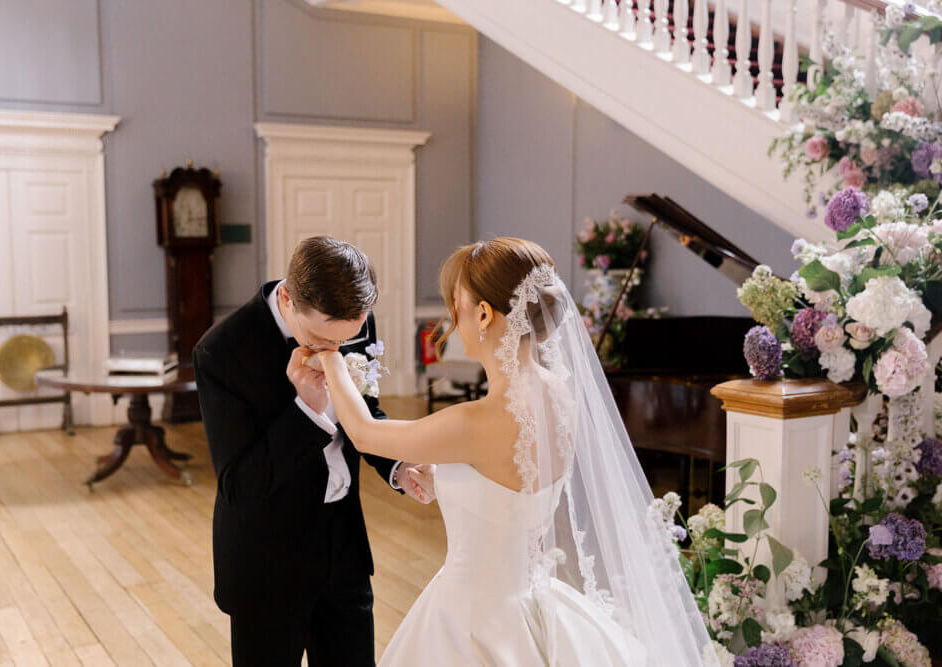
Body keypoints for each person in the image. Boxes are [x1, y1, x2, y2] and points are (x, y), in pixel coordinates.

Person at [302, 237, 717, 665]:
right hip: (534, 604)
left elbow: (365, 434)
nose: (452, 320)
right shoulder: (560, 395)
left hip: (472, 618)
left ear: (483, 314)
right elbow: (512, 487)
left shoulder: (472, 422)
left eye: (455, 306)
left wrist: (331, 355)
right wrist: (445, 479)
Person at [194, 236, 435, 666]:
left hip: (344, 552)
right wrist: (306, 409)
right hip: (265, 564)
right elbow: (240, 485)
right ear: (287, 297)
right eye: (322, 340)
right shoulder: (221, 352)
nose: (335, 353)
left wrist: (398, 465)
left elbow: (366, 410)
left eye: (347, 340)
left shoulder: (348, 322)